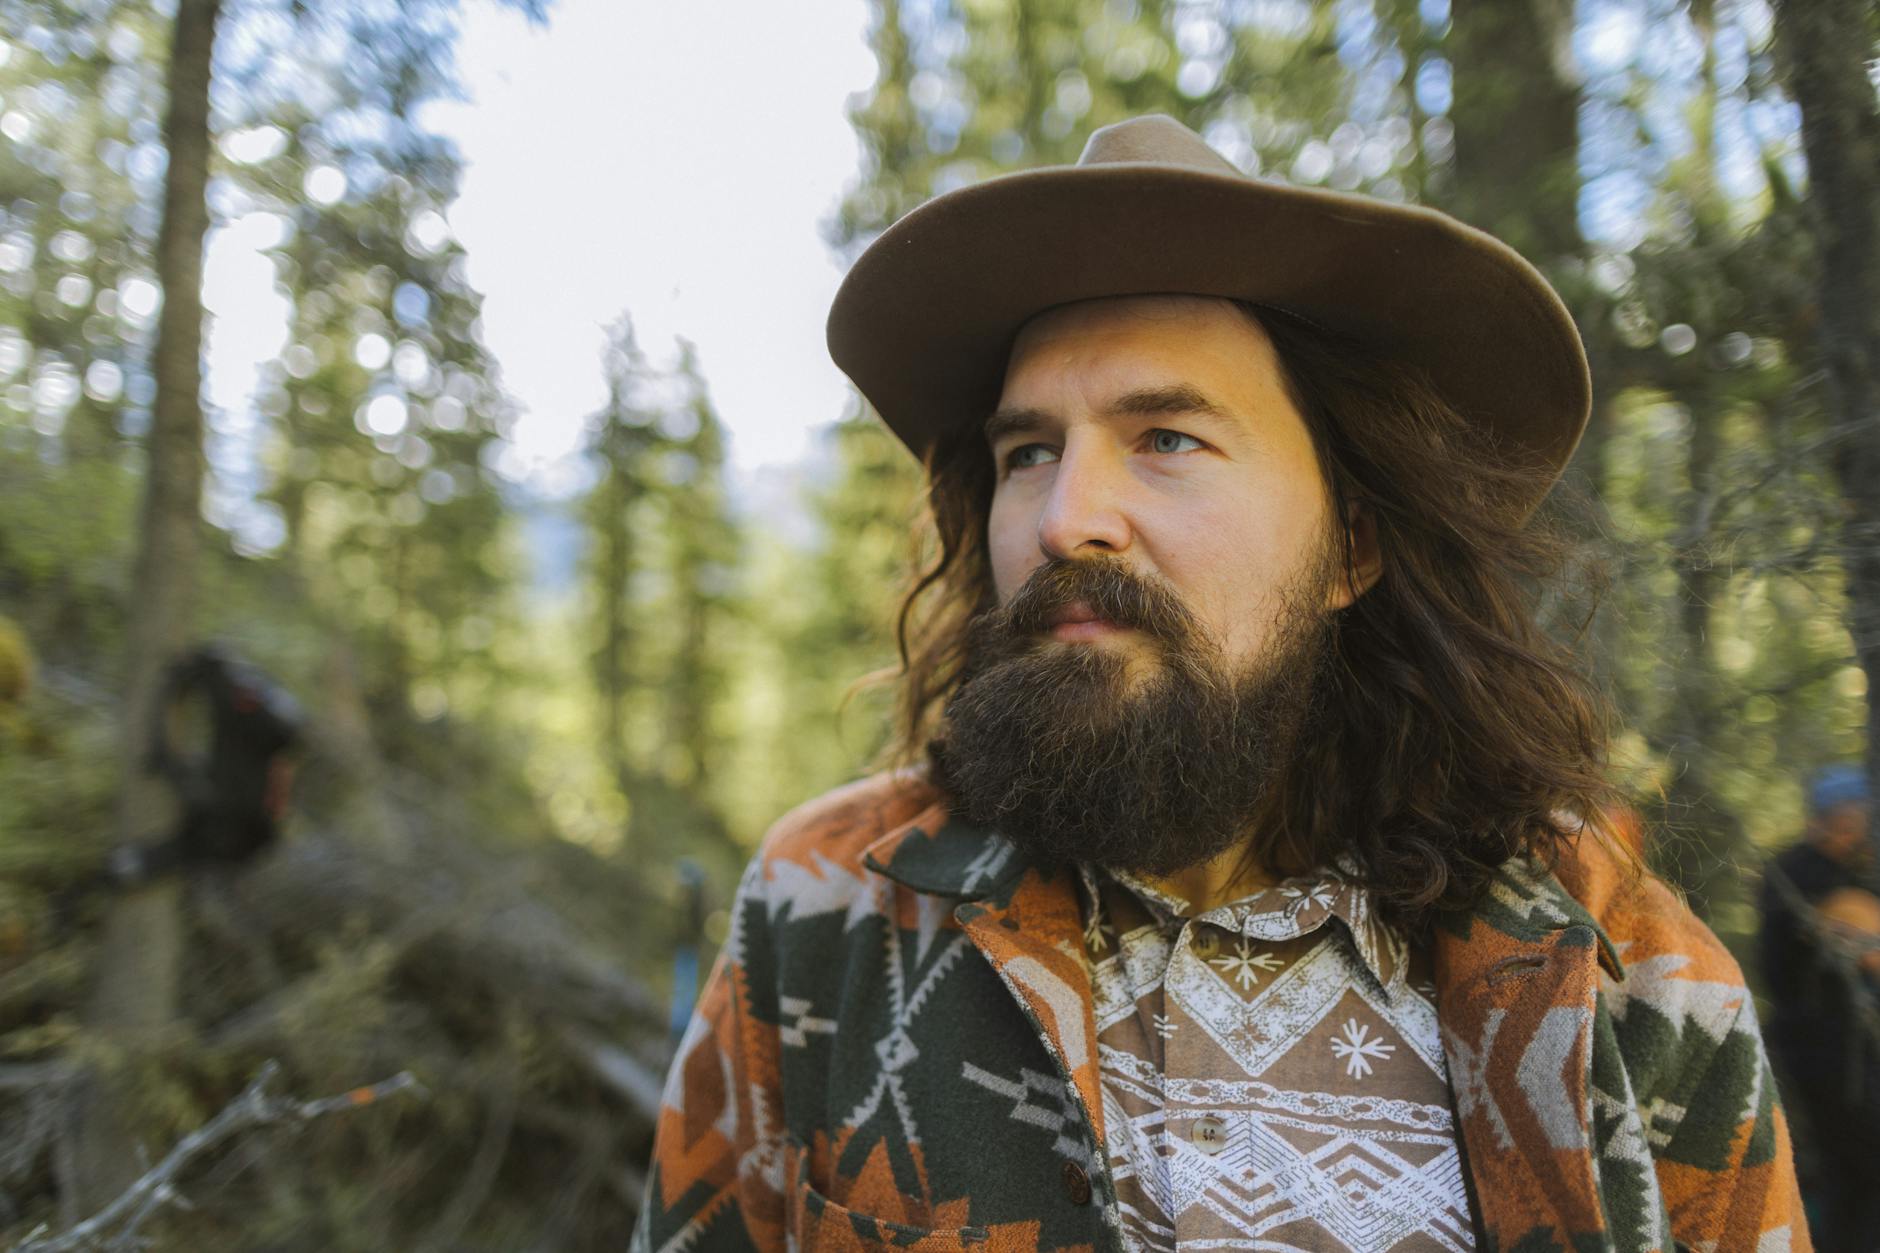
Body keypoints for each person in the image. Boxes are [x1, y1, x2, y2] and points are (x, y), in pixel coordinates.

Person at [633, 116, 1807, 1252]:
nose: (1063, 519)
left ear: (1351, 545)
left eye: (1165, 439)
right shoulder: (827, 910)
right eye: (1026, 452)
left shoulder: (1622, 975)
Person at [1760, 765, 1878, 1250]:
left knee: (1853, 1172)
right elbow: (1863, 934)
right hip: (1822, 1048)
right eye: (1844, 816)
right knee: (1857, 1165)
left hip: (1846, 1048)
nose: (1853, 826)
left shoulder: (1850, 869)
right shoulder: (1803, 871)